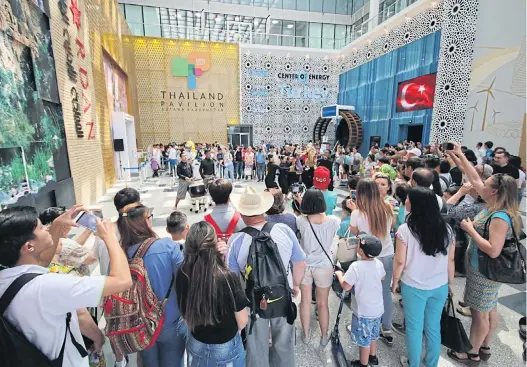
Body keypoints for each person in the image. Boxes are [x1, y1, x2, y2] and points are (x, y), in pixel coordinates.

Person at [0, 205, 132, 366]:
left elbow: (41, 263)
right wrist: (109, 237)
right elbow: (122, 281)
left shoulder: (8, 278)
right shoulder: (50, 286)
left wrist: (56, 226)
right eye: (42, 227)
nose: (47, 229)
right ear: (29, 247)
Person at [446, 143, 520, 365]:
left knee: (479, 314)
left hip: (485, 271)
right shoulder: (494, 204)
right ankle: (485, 346)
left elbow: (493, 249)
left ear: (494, 191)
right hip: (483, 270)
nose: (480, 185)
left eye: (485, 184)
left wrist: (470, 231)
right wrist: (459, 156)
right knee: (489, 308)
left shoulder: (499, 216)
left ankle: (472, 353)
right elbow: (474, 178)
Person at [227, 186, 306, 367]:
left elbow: (231, 279)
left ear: (243, 213)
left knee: (256, 347)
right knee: (284, 344)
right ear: (263, 209)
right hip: (282, 295)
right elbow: (300, 263)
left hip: (252, 301)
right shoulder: (284, 230)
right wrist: (295, 286)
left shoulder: (236, 240)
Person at [392, 187, 455, 367]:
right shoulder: (447, 229)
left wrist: (395, 282)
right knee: (433, 327)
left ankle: (413, 364)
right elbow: (450, 259)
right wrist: (450, 284)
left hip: (414, 285)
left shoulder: (405, 230)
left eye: (408, 199)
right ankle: (431, 363)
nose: (406, 202)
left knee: (414, 327)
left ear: (416, 204)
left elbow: (399, 262)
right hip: (439, 285)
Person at [117, 203, 186, 367]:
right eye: (149, 217)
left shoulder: (120, 254)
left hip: (139, 325)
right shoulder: (167, 246)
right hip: (170, 321)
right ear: (144, 222)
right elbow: (185, 278)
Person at [176, 222, 248, 366]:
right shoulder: (227, 277)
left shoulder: (182, 272)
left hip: (196, 342)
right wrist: (222, 260)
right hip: (225, 348)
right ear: (214, 246)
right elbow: (242, 321)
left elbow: (184, 313)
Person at [348, 178, 395, 345]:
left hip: (366, 258)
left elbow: (355, 232)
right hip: (387, 254)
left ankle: (360, 326)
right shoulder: (388, 207)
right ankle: (386, 326)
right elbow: (391, 227)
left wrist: (354, 210)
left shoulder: (357, 213)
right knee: (385, 291)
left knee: (361, 292)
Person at [296, 188, 340, 346]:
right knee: (322, 303)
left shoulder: (301, 221)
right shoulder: (334, 221)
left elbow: (304, 217)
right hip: (324, 266)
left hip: (305, 265)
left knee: (305, 301)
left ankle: (306, 335)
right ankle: (323, 336)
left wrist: (299, 200)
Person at [335, 235, 385, 367]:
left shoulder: (356, 266)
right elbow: (383, 276)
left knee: (364, 340)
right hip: (378, 309)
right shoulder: (378, 263)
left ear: (361, 251)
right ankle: (373, 357)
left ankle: (363, 363)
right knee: (373, 334)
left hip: (363, 312)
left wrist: (339, 274)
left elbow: (346, 285)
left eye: (358, 245)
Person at [39, 207, 98, 276]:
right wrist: (102, 237)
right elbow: (92, 258)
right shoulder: (62, 244)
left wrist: (90, 229)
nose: (71, 222)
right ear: (62, 224)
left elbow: (75, 248)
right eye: (69, 219)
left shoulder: (47, 242)